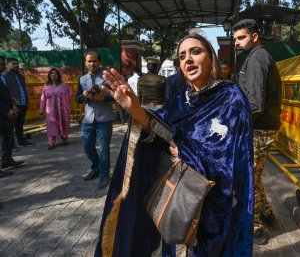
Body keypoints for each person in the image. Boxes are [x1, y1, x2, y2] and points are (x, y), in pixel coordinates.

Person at [95, 33, 254, 256]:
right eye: (182, 56)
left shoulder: (231, 97)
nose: (188, 59)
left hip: (214, 208)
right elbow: (163, 133)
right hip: (177, 204)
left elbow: (228, 157)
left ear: (211, 58)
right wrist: (137, 111)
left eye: (195, 52)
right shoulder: (181, 100)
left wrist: (185, 151)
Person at [233, 19, 282, 245]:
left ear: (254, 37)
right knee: (253, 175)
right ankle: (267, 214)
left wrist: (235, 126)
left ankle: (256, 227)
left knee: (246, 178)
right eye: (235, 39)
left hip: (259, 128)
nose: (237, 43)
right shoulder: (257, 58)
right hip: (263, 127)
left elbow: (254, 105)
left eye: (241, 38)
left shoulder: (256, 59)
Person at [76, 51, 115, 189]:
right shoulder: (82, 79)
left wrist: (104, 98)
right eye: (89, 61)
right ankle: (96, 168)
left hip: (104, 118)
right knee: (87, 147)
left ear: (99, 62)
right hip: (88, 119)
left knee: (104, 149)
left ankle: (104, 175)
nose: (92, 63)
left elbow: (116, 96)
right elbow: (77, 98)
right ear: (85, 62)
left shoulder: (107, 77)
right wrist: (84, 96)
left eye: (94, 61)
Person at [2, 57, 35, 148]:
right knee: (10, 126)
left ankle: (21, 141)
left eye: (17, 64)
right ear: (7, 65)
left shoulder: (20, 76)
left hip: (23, 104)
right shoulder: (3, 77)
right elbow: (5, 93)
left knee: (20, 125)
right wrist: (10, 105)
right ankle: (11, 145)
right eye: (13, 63)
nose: (16, 65)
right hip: (13, 106)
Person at [0, 55, 23, 175]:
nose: (3, 66)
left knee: (7, 136)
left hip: (4, 114)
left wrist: (11, 102)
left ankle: (6, 160)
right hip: (2, 113)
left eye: (3, 63)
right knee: (4, 137)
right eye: (2, 64)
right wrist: (6, 110)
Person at [39, 68, 73, 150]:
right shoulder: (46, 86)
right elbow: (43, 99)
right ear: (49, 75)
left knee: (63, 122)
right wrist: (41, 110)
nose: (53, 75)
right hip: (50, 110)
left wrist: (65, 103)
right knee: (51, 125)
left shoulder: (63, 85)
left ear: (58, 76)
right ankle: (51, 142)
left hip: (62, 109)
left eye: (55, 73)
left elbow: (70, 94)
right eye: (52, 73)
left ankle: (64, 138)